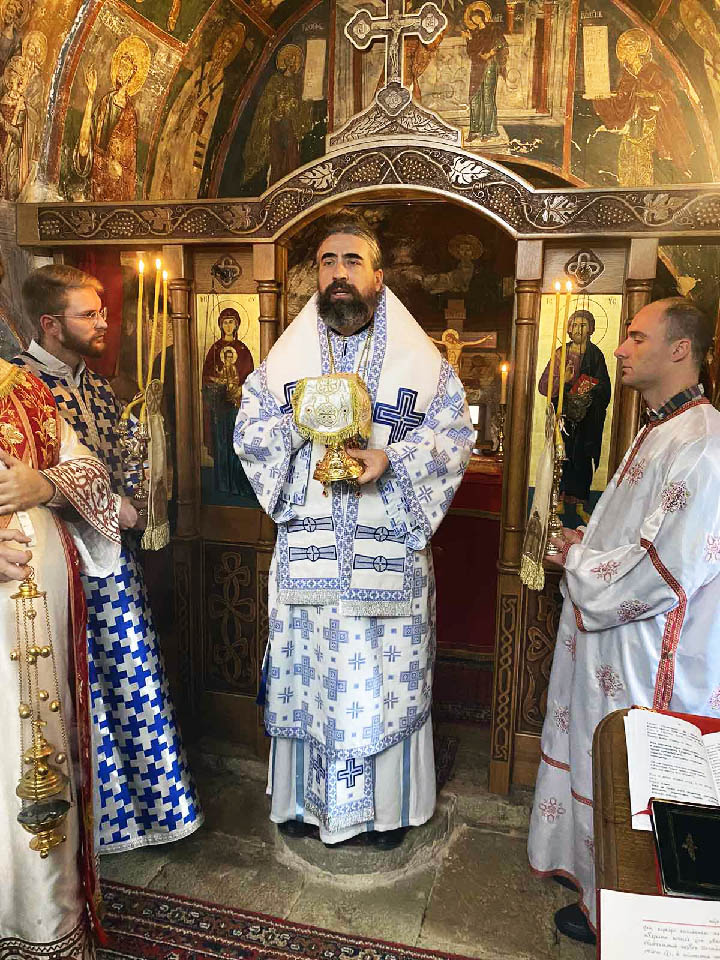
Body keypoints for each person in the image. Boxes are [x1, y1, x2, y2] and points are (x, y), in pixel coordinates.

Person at [234, 221, 474, 847]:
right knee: (310, 679)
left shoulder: (422, 364)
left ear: (378, 276)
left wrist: (390, 459)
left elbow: (455, 438)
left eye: (352, 261)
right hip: (310, 559)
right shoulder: (285, 363)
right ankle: (302, 803)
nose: (338, 273)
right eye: (326, 262)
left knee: (383, 687)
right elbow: (249, 434)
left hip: (385, 558)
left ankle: (385, 814)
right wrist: (298, 423)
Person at [528, 297, 720, 944]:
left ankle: (631, 919)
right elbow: (633, 532)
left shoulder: (702, 446)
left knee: (636, 776)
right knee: (604, 761)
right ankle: (599, 888)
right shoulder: (659, 428)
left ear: (680, 349)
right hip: (618, 644)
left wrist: (579, 562)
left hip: (651, 655)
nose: (619, 348)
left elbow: (662, 569)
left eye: (637, 337)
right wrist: (585, 539)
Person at [15, 264, 202, 854]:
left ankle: (150, 813)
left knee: (132, 681)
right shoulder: (19, 388)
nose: (103, 323)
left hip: (114, 563)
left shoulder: (98, 387)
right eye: (88, 314)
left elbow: (120, 471)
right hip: (52, 565)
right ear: (50, 324)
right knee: (77, 691)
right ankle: (91, 823)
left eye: (102, 311)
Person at [0, 354, 120, 957]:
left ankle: (43, 929)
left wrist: (44, 486)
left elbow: (90, 472)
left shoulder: (21, 388)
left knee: (35, 763)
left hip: (36, 623)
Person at [538, 309, 611, 523]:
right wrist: (564, 379)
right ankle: (558, 498)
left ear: (591, 329)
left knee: (583, 459)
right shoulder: (561, 354)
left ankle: (580, 504)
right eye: (575, 325)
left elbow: (605, 386)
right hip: (564, 417)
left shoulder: (596, 355)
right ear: (569, 329)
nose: (579, 329)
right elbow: (544, 385)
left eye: (583, 325)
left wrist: (589, 389)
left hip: (588, 418)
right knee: (563, 456)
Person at [73, 36, 150, 201]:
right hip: (97, 165)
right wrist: (91, 95)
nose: (121, 71)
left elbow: (128, 159)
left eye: (126, 68)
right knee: (83, 148)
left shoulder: (129, 114)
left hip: (113, 177)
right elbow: (89, 134)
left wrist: (115, 165)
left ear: (132, 74)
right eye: (120, 66)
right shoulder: (106, 100)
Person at [201, 306, 254, 497]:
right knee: (221, 443)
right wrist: (217, 385)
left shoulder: (243, 350)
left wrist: (240, 389)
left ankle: (239, 483)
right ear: (220, 325)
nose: (228, 326)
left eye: (231, 322)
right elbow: (206, 377)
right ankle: (223, 485)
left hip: (237, 406)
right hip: (220, 406)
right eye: (225, 322)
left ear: (237, 324)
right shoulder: (215, 350)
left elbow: (251, 378)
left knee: (237, 443)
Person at [462, 1, 507, 143]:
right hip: (477, 66)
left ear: (482, 16)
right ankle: (474, 130)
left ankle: (488, 131)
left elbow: (501, 43)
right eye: (473, 18)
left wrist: (490, 53)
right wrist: (469, 39)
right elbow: (471, 52)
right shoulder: (474, 33)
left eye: (477, 16)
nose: (475, 19)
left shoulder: (493, 29)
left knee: (487, 98)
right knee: (475, 97)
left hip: (489, 65)